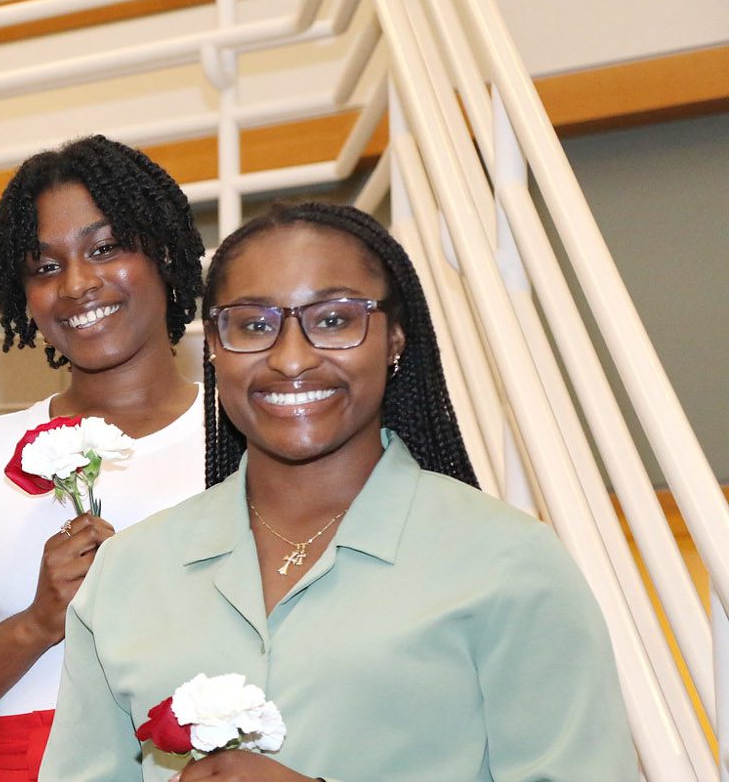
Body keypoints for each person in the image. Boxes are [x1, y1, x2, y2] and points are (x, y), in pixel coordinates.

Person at [40, 202, 635, 781]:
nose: (291, 359)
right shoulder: (130, 572)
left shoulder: (508, 562)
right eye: (253, 324)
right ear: (214, 348)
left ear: (395, 338)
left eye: (333, 320)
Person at [0, 136, 208, 782]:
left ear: (163, 252)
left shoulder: (245, 441)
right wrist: (37, 622)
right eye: (45, 266)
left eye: (105, 248)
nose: (78, 284)